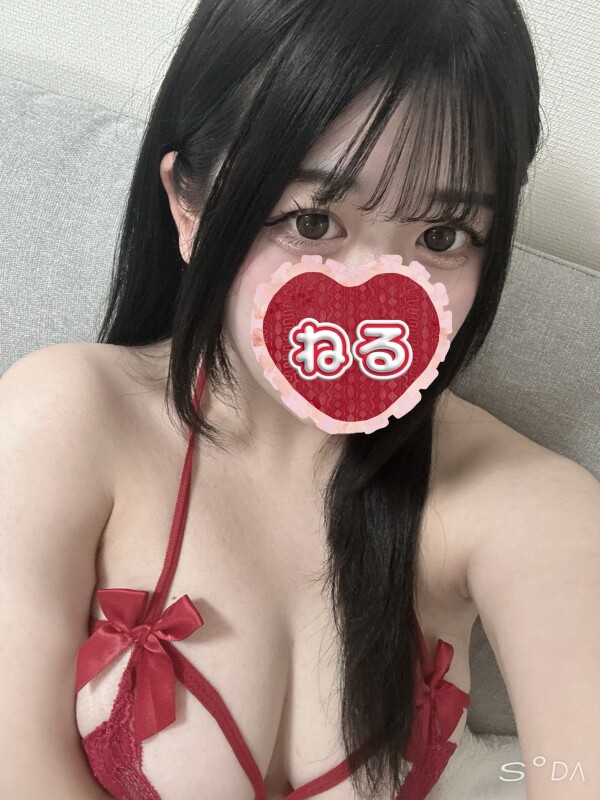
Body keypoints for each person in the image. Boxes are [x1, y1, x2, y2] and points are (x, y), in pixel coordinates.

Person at [1, 0, 599, 799]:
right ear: (188, 206)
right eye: (312, 221)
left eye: (442, 236)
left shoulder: (526, 502)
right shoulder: (64, 417)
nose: (371, 294)